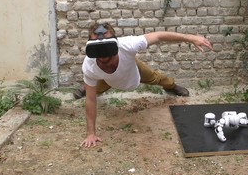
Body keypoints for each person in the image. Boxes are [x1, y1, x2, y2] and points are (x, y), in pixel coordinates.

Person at [79, 22, 213, 147]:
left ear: (115, 43)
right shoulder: (90, 66)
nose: (103, 56)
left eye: (107, 50)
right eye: (98, 51)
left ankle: (172, 86)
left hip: (133, 72)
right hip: (106, 79)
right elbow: (90, 100)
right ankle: (87, 85)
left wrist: (190, 38)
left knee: (156, 78)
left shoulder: (128, 45)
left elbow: (159, 36)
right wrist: (91, 133)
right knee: (93, 90)